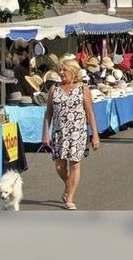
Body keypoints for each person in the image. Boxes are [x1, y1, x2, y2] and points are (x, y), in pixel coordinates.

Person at [42, 59, 100, 210]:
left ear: (73, 72)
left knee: (75, 164)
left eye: (64, 70)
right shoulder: (54, 89)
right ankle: (68, 184)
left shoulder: (83, 89)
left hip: (77, 133)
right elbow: (48, 113)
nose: (61, 73)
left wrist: (95, 135)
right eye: (60, 70)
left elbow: (90, 112)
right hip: (59, 132)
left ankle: (70, 197)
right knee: (60, 165)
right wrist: (45, 134)